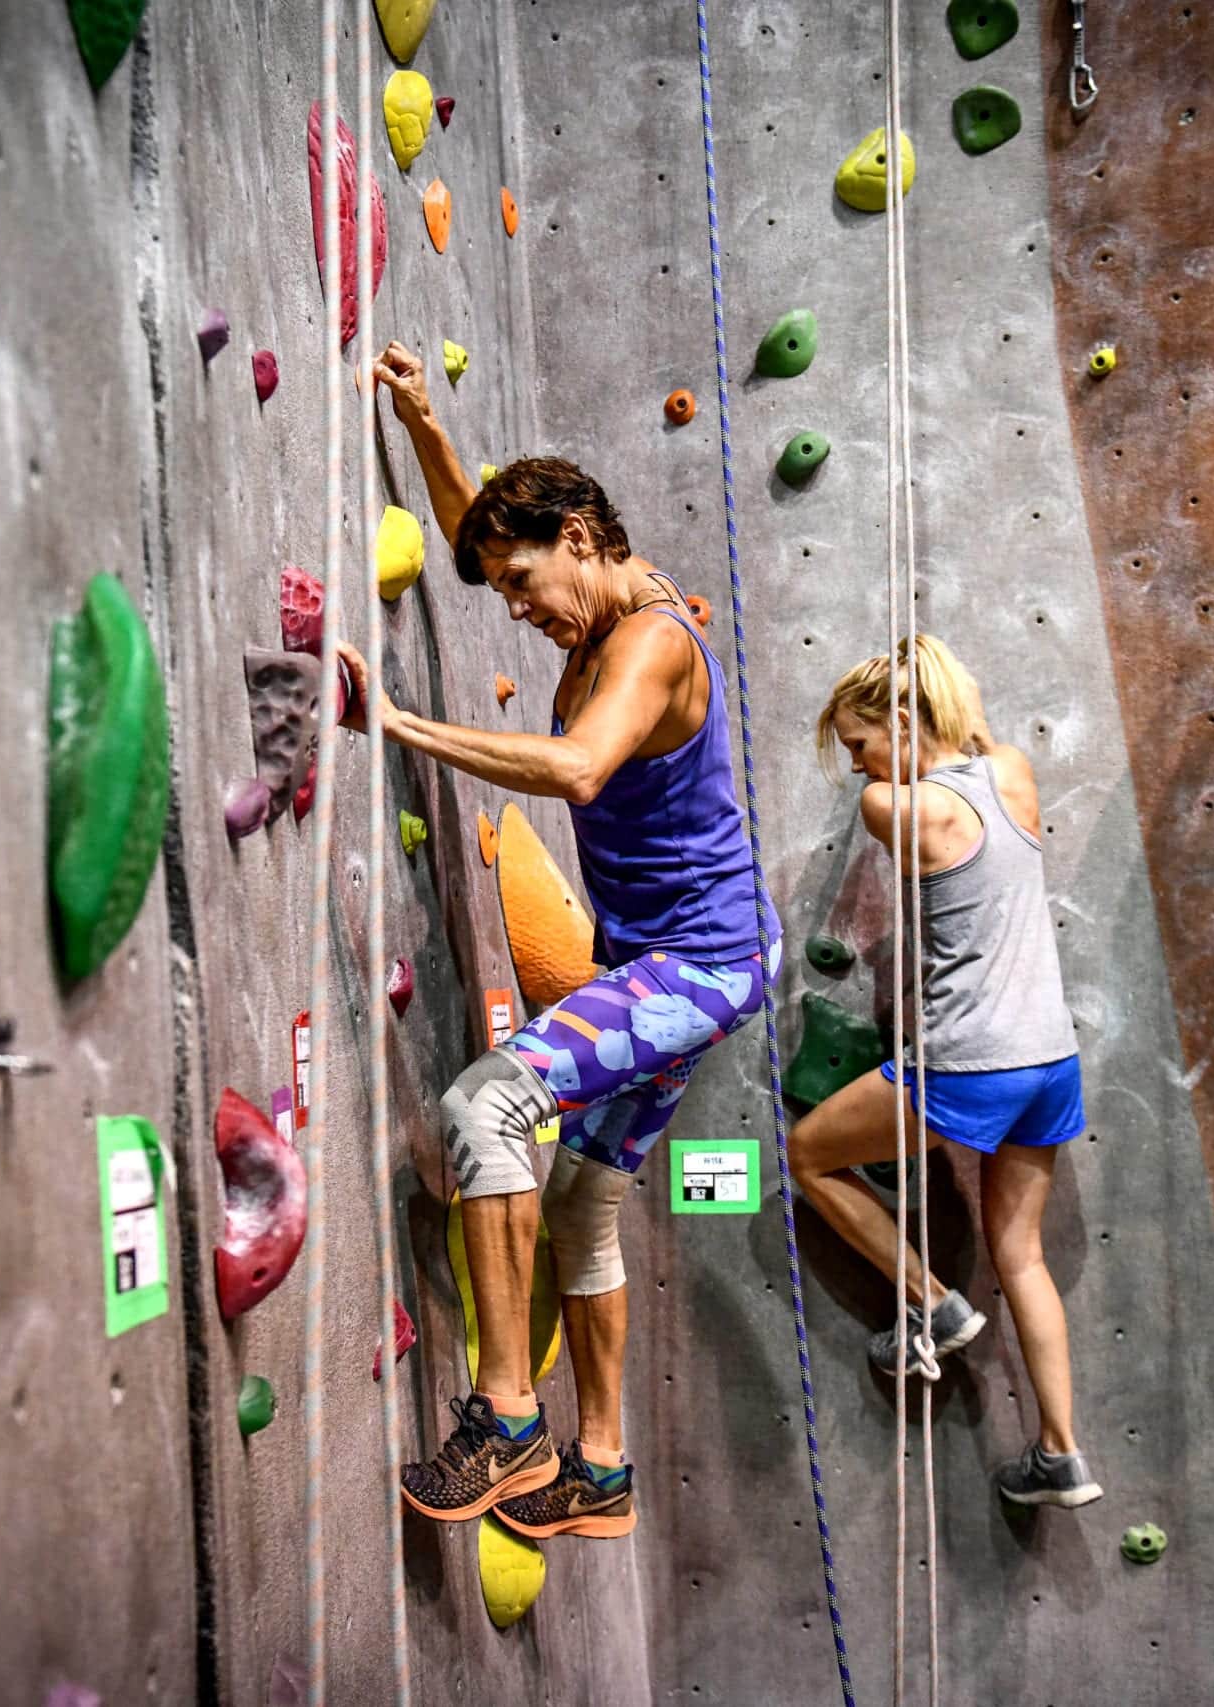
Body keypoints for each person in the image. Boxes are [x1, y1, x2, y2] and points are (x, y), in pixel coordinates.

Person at [340, 341, 780, 1542]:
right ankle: (599, 1467)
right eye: (506, 592)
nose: (521, 612)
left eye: (528, 583)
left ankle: (505, 1419)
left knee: (487, 1110)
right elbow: (484, 528)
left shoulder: (648, 644)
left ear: (582, 538)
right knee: (586, 1201)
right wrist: (427, 426)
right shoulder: (600, 592)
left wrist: (399, 724)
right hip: (701, 958)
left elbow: (580, 770)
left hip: (689, 967)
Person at [787, 636, 1103, 1510]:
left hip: (969, 1059)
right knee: (1021, 1253)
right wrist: (921, 666)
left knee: (810, 1154)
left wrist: (903, 709)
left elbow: (903, 779)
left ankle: (931, 1300)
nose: (856, 769)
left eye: (858, 744)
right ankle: (1062, 1451)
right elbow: (974, 732)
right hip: (1048, 1058)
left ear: (899, 719)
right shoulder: (1012, 772)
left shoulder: (897, 806)